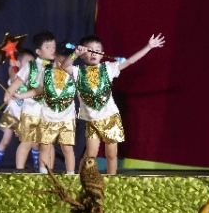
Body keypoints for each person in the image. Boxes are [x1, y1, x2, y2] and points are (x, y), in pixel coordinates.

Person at [61, 33, 165, 175]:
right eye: (89, 50)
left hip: (110, 118)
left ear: (102, 54)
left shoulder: (109, 68)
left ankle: (112, 179)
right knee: (90, 154)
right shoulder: (78, 72)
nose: (94, 53)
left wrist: (149, 46)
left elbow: (129, 61)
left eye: (97, 50)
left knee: (111, 154)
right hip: (92, 121)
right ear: (83, 54)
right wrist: (74, 54)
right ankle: (80, 178)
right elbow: (64, 65)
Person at [15, 42, 77, 174]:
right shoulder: (46, 71)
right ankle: (43, 174)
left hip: (67, 117)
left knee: (67, 148)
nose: (63, 64)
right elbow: (38, 90)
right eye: (60, 61)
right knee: (45, 146)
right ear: (55, 56)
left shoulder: (73, 71)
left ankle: (71, 176)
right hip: (48, 116)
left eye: (66, 61)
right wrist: (21, 95)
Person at [5, 30, 56, 173]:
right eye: (48, 47)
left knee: (48, 143)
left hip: (47, 112)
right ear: (38, 51)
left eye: (54, 46)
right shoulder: (31, 66)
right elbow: (18, 81)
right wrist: (8, 92)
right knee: (26, 142)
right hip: (30, 110)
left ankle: (47, 172)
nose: (52, 49)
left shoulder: (54, 68)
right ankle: (20, 170)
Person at [0, 48, 37, 171]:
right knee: (6, 140)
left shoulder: (34, 78)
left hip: (26, 114)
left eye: (32, 64)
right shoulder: (15, 74)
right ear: (18, 63)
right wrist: (13, 66)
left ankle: (37, 167)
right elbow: (14, 76)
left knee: (35, 142)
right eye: (27, 63)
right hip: (12, 113)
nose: (30, 66)